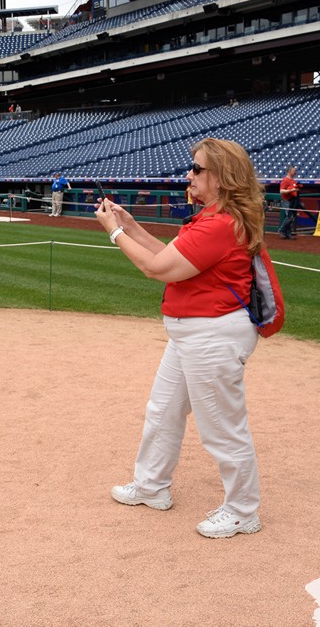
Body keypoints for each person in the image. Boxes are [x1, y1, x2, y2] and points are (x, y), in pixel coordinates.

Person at [96, 138, 266, 539]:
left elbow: (157, 269)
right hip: (193, 331)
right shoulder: (212, 219)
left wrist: (114, 233)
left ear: (221, 178)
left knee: (222, 429)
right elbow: (172, 257)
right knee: (163, 411)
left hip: (212, 334)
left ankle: (243, 510)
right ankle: (151, 486)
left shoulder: (220, 224)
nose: (188, 175)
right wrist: (131, 225)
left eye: (197, 169)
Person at [277, 165, 303, 239]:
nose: (295, 172)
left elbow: (295, 189)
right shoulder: (285, 180)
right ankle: (281, 230)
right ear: (289, 171)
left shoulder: (293, 181)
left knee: (292, 217)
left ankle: (288, 233)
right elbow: (281, 191)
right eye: (293, 170)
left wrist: (297, 188)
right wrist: (291, 190)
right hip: (286, 200)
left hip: (292, 200)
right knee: (289, 217)